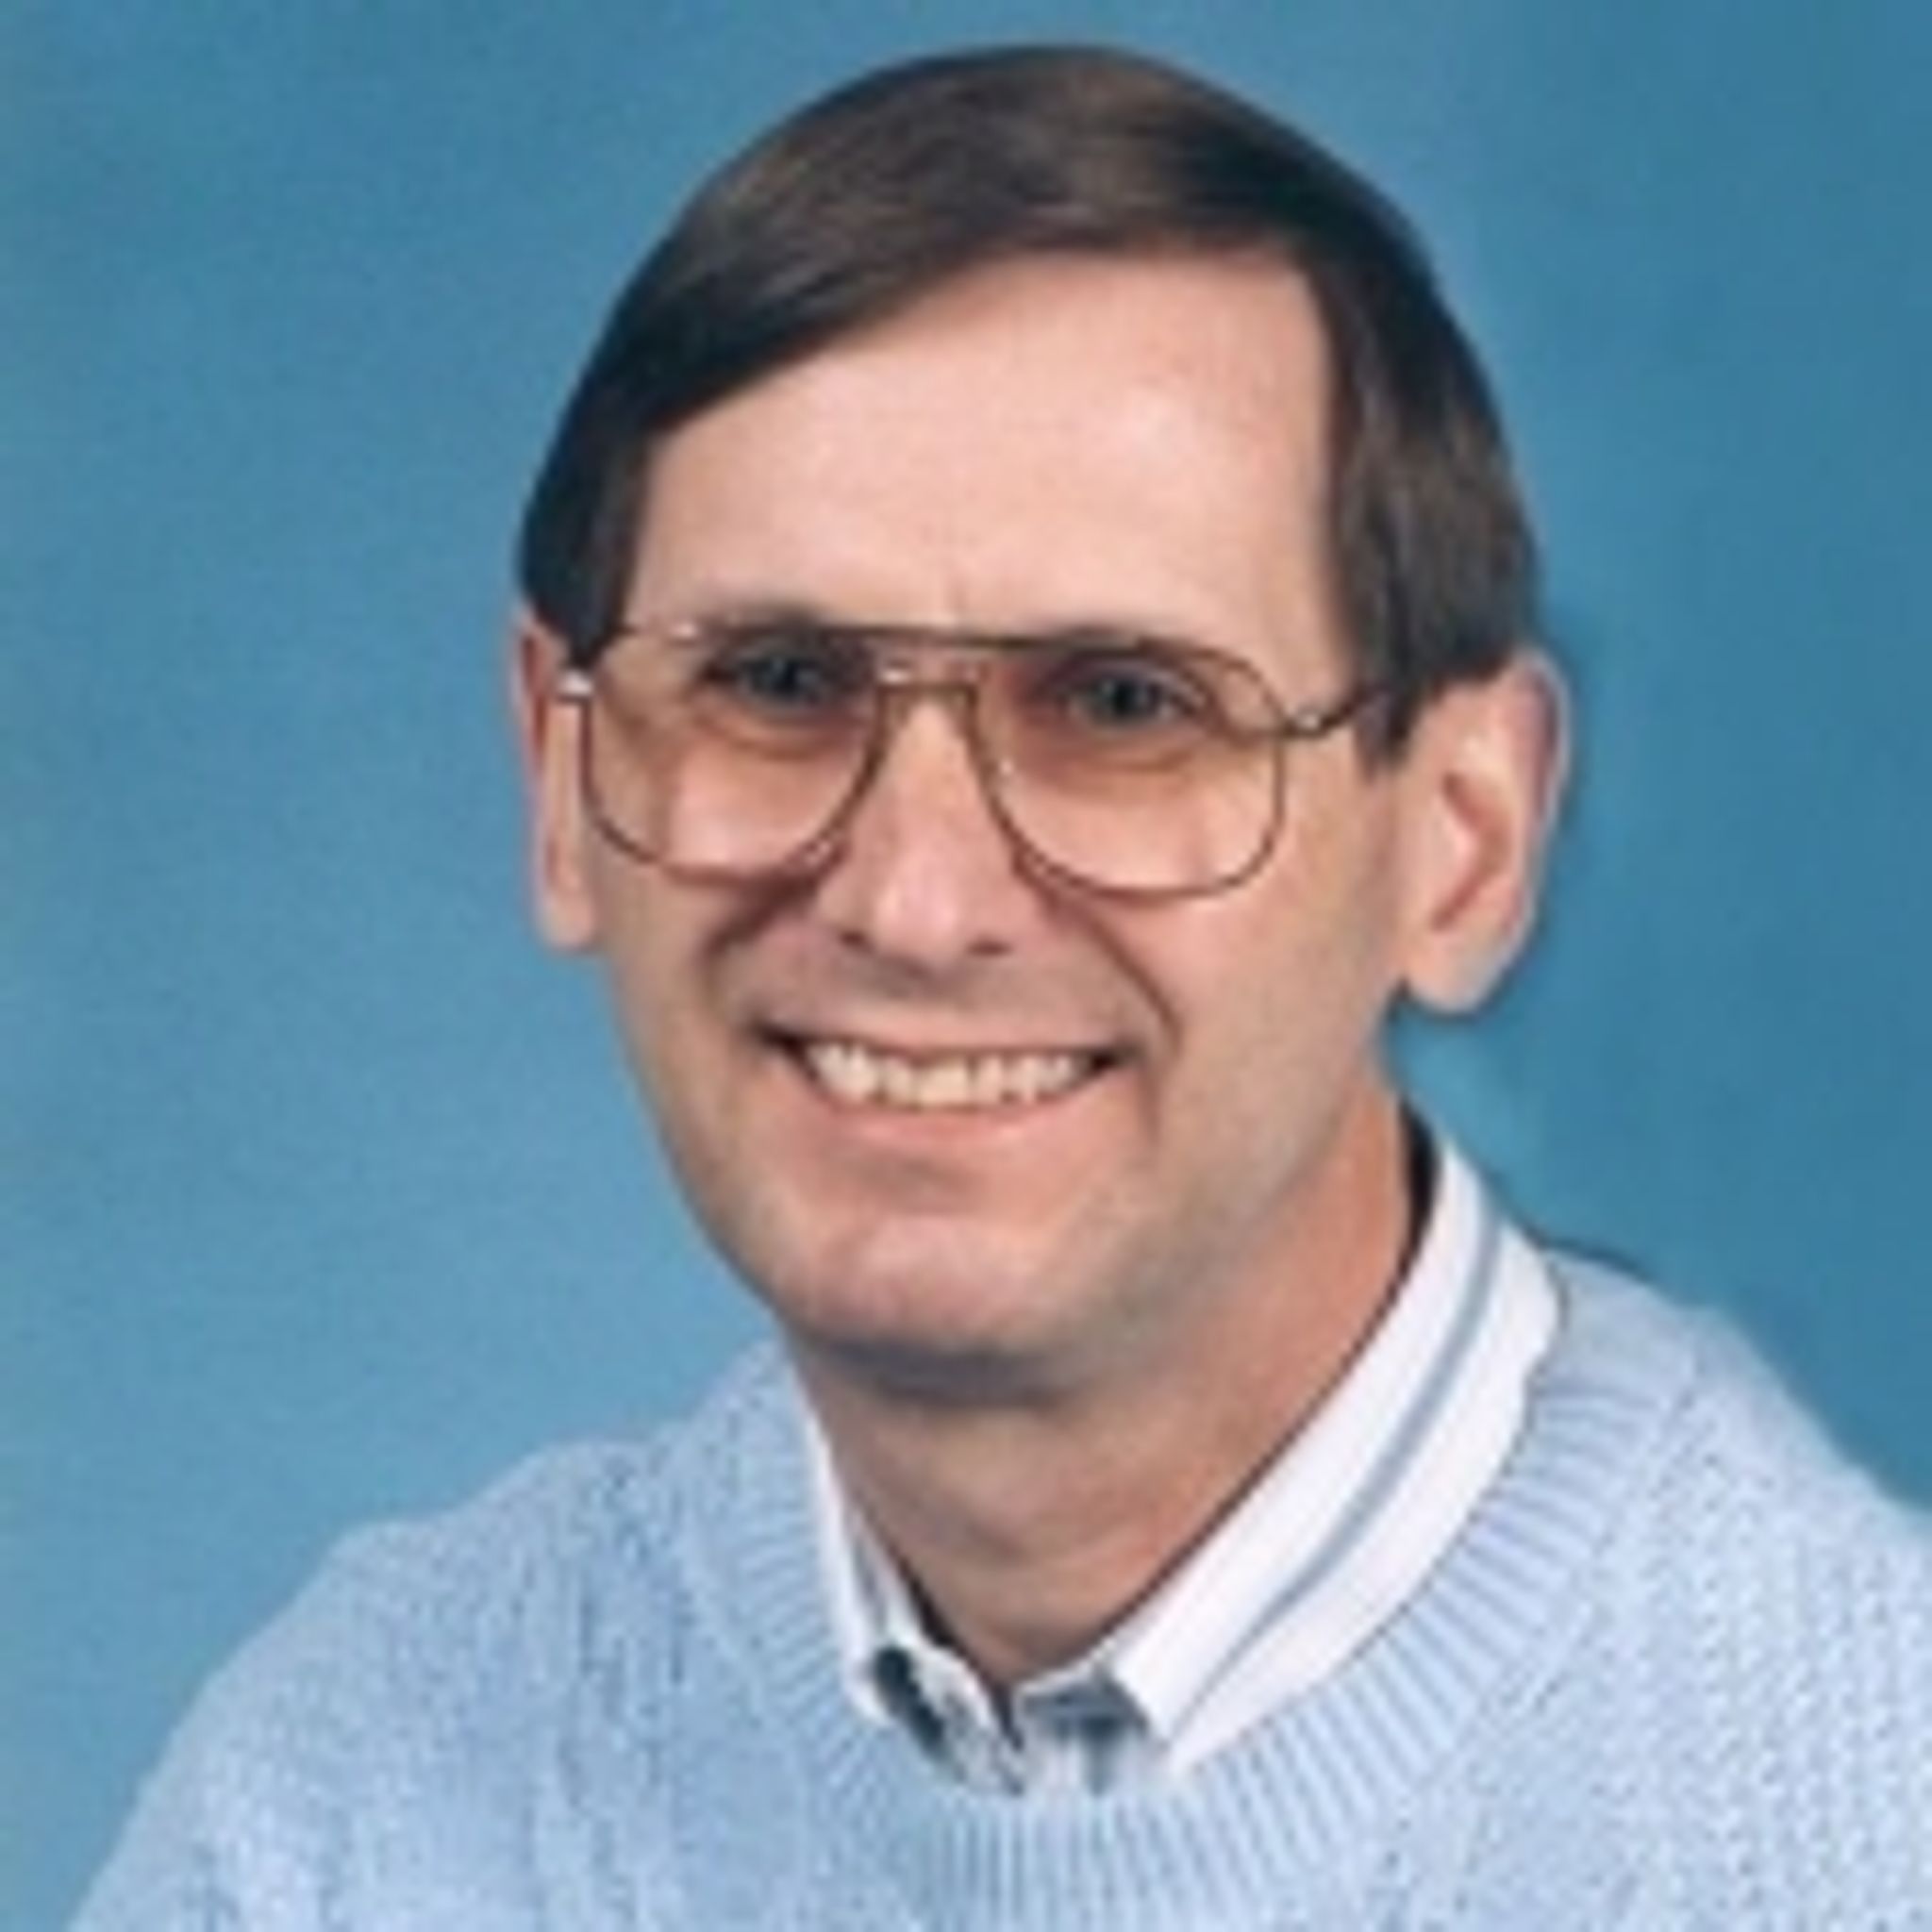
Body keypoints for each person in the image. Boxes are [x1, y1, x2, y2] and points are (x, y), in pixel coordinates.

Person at [79, 43, 1931, 1928]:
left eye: (1124, 706)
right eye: (777, 685)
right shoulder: (351, 1798)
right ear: (561, 780)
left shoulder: (1869, 1790)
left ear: (1461, 840)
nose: (915, 898)